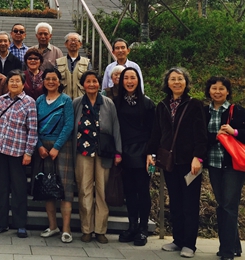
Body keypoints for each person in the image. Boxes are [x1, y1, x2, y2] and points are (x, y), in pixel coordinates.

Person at [147, 67, 207, 258]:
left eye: (180, 79)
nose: (177, 82)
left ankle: (189, 244)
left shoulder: (195, 105)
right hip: (170, 161)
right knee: (175, 202)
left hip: (189, 162)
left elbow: (201, 134)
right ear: (167, 83)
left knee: (190, 203)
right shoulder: (162, 105)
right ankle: (178, 240)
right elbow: (157, 132)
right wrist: (151, 152)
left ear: (186, 82)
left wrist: (198, 157)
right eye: (173, 79)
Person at [204, 76, 245, 260]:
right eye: (214, 88)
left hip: (234, 165)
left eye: (222, 89)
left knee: (228, 206)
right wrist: (215, 136)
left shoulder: (238, 112)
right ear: (209, 91)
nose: (217, 92)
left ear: (228, 92)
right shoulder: (204, 112)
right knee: (223, 205)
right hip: (214, 164)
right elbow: (200, 137)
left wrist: (234, 132)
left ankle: (226, 251)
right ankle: (234, 246)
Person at [72, 70, 122, 244]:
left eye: (95, 81)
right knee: (84, 190)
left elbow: (116, 127)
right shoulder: (77, 103)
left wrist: (118, 152)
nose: (92, 84)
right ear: (83, 84)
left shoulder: (108, 103)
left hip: (104, 152)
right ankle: (86, 229)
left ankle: (100, 230)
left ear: (99, 84)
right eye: (88, 81)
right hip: (82, 152)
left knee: (102, 191)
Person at [0, 69, 38, 239]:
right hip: (0, 149)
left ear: (23, 84)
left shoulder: (29, 102)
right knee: (1, 188)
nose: (14, 83)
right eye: (11, 81)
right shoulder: (1, 100)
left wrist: (29, 152)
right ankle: (1, 222)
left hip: (18, 151)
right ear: (7, 83)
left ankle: (20, 224)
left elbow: (32, 129)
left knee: (19, 188)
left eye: (17, 81)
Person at [33, 68, 75, 243]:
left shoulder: (66, 100)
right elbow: (33, 125)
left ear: (59, 81)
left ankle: (66, 229)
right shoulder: (39, 101)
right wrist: (39, 146)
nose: (51, 82)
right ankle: (52, 226)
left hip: (62, 147)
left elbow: (69, 125)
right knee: (47, 186)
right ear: (43, 82)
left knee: (65, 188)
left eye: (54, 79)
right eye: (47, 79)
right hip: (43, 149)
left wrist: (57, 147)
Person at [115, 67, 155, 246]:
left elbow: (154, 130)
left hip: (143, 152)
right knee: (129, 191)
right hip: (124, 151)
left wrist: (151, 153)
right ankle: (132, 226)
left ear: (138, 80)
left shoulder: (147, 103)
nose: (129, 81)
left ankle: (143, 228)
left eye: (133, 78)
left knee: (143, 190)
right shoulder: (116, 102)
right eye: (126, 78)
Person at [55, 32, 91, 99]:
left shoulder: (87, 62)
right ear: (65, 44)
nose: (73, 42)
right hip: (63, 99)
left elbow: (90, 81)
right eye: (71, 40)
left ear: (80, 44)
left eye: (76, 40)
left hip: (81, 99)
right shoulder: (58, 62)